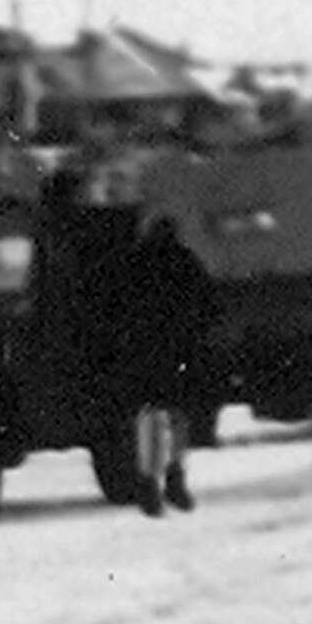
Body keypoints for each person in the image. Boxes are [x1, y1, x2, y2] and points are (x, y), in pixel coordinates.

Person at [107, 210, 214, 515]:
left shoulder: (133, 264)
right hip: (180, 350)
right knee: (179, 416)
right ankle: (175, 477)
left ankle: (148, 482)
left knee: (149, 415)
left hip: (143, 351)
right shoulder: (186, 261)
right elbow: (208, 305)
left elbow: (115, 307)